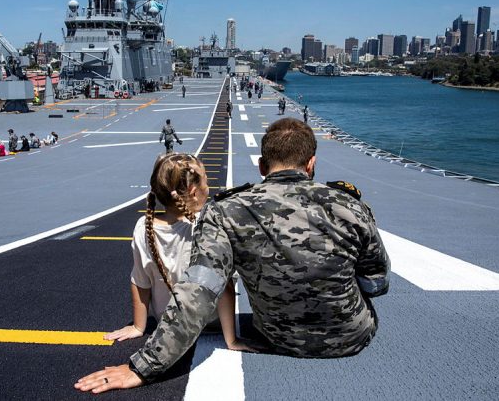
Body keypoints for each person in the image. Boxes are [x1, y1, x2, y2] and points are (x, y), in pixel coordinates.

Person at [75, 118, 390, 393]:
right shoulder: (350, 205)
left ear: (262, 166)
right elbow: (377, 281)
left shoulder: (226, 212)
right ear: (311, 164)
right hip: (352, 339)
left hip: (278, 339)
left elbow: (198, 293)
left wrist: (142, 367)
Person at [102, 153, 246, 353]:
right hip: (209, 321)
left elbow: (139, 280)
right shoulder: (209, 225)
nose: (208, 186)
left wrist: (138, 327)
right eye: (206, 180)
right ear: (194, 191)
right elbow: (225, 286)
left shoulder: (143, 227)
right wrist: (231, 340)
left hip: (168, 322)